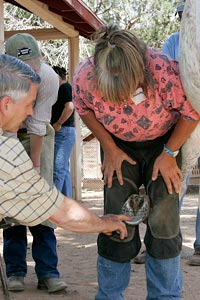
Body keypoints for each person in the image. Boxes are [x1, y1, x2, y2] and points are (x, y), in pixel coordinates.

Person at [72, 24, 199, 300]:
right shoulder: (85, 75)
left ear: (140, 68)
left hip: (164, 143)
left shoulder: (164, 69)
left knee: (164, 224)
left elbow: (191, 111)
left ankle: (165, 296)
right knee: (118, 221)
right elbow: (83, 108)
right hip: (117, 146)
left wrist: (169, 154)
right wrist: (109, 148)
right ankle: (109, 296)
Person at [0, 53, 129, 292]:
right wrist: (103, 223)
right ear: (6, 105)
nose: (30, 112)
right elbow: (59, 211)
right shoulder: (6, 152)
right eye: (29, 104)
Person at [3, 33, 66, 293]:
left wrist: (35, 168)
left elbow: (39, 124)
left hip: (38, 136)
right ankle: (15, 271)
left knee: (42, 201)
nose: (33, 74)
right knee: (11, 204)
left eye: (35, 68)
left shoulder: (50, 78)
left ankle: (48, 272)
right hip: (7, 133)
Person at [162, 1, 200, 267]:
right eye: (181, 14)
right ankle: (165, 241)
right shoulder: (173, 42)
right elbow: (168, 77)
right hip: (184, 121)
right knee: (175, 184)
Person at [51, 66, 75, 197]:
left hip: (63, 131)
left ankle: (54, 204)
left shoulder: (64, 88)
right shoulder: (62, 89)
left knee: (57, 169)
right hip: (64, 132)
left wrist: (58, 123)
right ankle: (67, 202)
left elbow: (70, 107)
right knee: (63, 170)